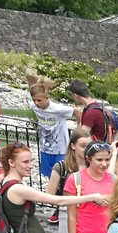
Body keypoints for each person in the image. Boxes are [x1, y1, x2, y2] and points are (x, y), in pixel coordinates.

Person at [27, 79, 78, 224]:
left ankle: (63, 208)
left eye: (39, 100)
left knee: (64, 178)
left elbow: (77, 111)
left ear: (46, 98)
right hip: (45, 148)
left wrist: (79, 130)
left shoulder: (57, 109)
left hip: (61, 149)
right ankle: (57, 205)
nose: (37, 103)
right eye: (34, 100)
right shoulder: (33, 107)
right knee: (52, 178)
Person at [68, 79, 114, 143]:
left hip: (95, 147)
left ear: (75, 95)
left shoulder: (91, 113)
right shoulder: (95, 106)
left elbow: (81, 138)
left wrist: (77, 115)